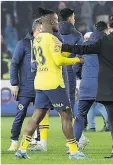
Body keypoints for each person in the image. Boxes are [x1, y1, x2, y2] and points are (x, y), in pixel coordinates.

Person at [61, 13, 113, 159]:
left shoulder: (105, 41)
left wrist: (64, 46)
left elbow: (84, 50)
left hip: (110, 87)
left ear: (110, 26)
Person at [15, 7, 87, 159]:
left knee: (37, 116)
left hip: (40, 83)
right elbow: (59, 60)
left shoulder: (37, 39)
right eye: (57, 20)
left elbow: (52, 55)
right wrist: (77, 59)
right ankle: (74, 152)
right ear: (52, 21)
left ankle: (22, 149)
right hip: (54, 84)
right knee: (66, 116)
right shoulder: (53, 39)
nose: (58, 23)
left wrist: (70, 52)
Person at [70, 21, 110, 151]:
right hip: (106, 85)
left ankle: (73, 145)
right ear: (107, 29)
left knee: (81, 114)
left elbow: (76, 65)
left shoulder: (83, 46)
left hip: (87, 84)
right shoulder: (110, 45)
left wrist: (83, 76)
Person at [8, 19, 43, 152]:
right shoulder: (23, 43)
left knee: (40, 116)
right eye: (42, 29)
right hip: (26, 88)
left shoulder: (45, 44)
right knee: (20, 115)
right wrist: (14, 83)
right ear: (37, 29)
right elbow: (14, 63)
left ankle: (37, 141)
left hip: (41, 87)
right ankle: (14, 142)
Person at [59, 7, 83, 115]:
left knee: (46, 101)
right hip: (70, 69)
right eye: (73, 17)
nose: (74, 20)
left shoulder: (53, 33)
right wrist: (78, 72)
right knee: (71, 98)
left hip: (54, 69)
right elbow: (80, 55)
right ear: (69, 19)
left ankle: (40, 130)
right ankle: (71, 126)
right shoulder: (77, 35)